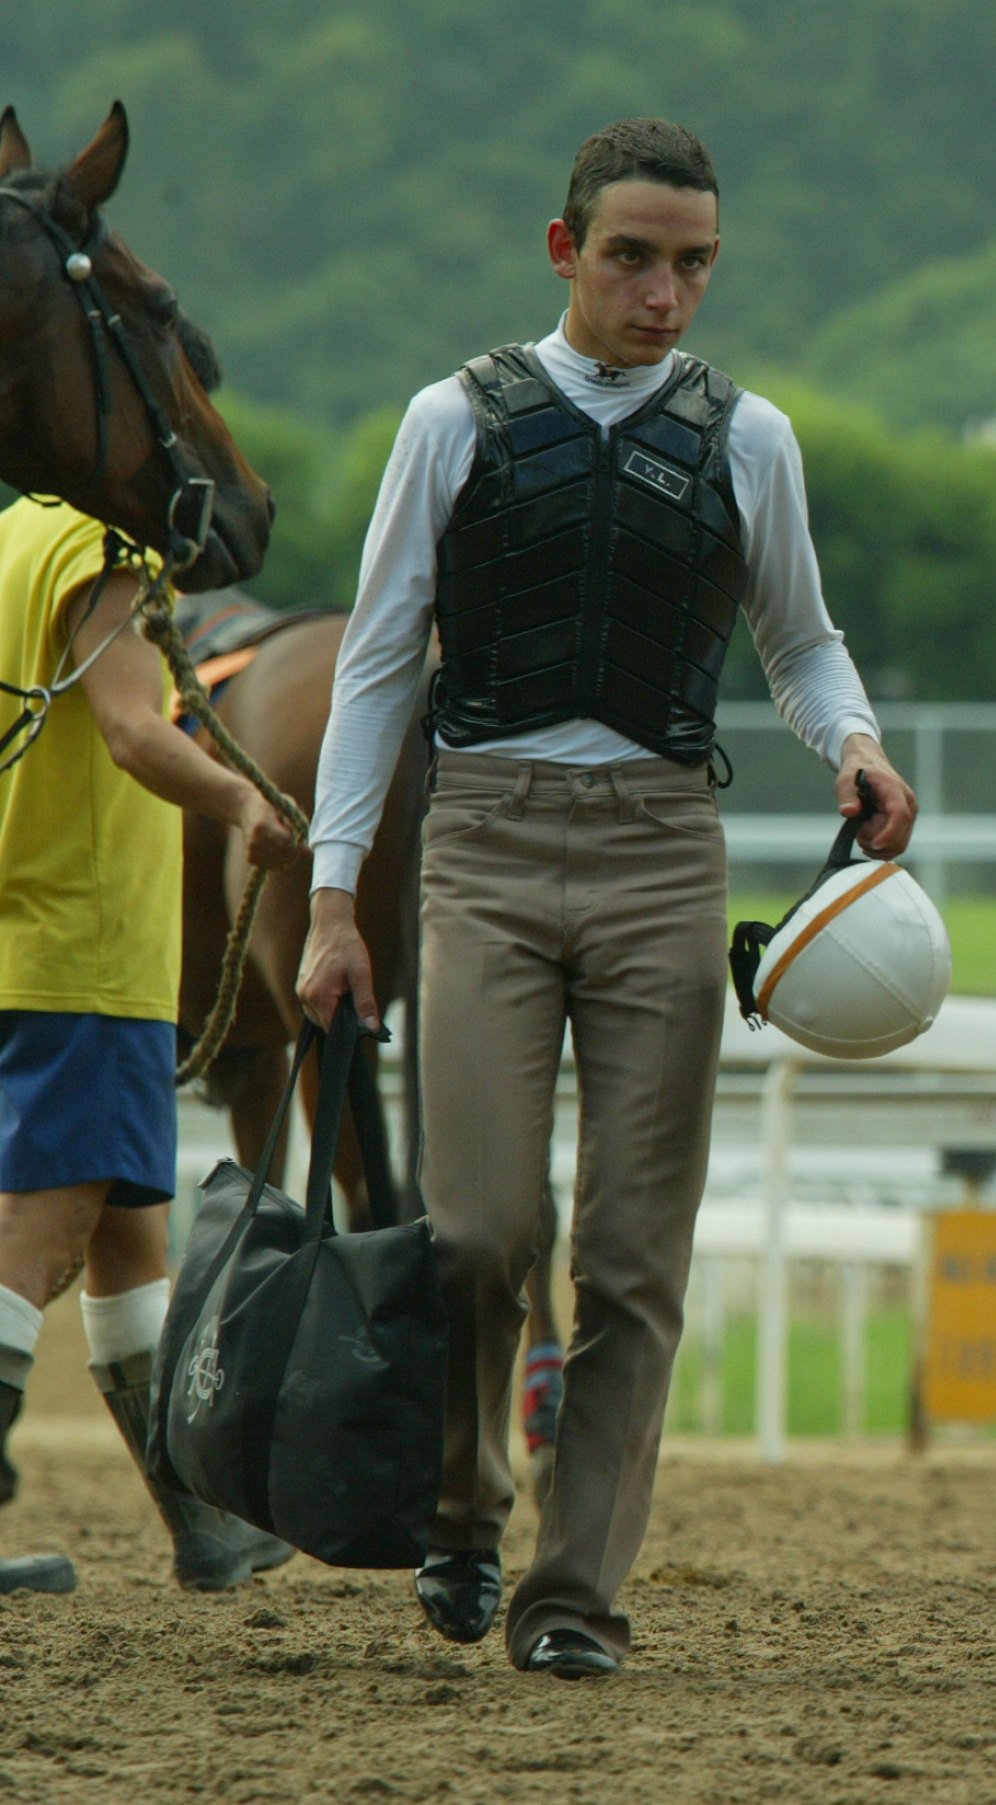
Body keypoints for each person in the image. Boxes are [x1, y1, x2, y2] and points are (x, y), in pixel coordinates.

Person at [297, 118, 916, 1680]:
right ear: (565, 250)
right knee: (478, 1230)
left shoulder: (751, 437)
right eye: (634, 257)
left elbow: (802, 639)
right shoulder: (454, 419)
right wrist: (328, 899)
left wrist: (853, 741)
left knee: (635, 1258)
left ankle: (573, 1596)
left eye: (694, 264)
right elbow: (377, 666)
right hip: (483, 842)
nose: (665, 293)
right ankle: (461, 1495)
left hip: (661, 852)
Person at [0, 498, 299, 1592]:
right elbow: (132, 729)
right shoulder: (105, 546)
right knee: (46, 1233)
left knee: (129, 1239)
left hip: (31, 936)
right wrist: (243, 799)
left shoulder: (15, 534)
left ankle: (203, 1524)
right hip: (91, 946)